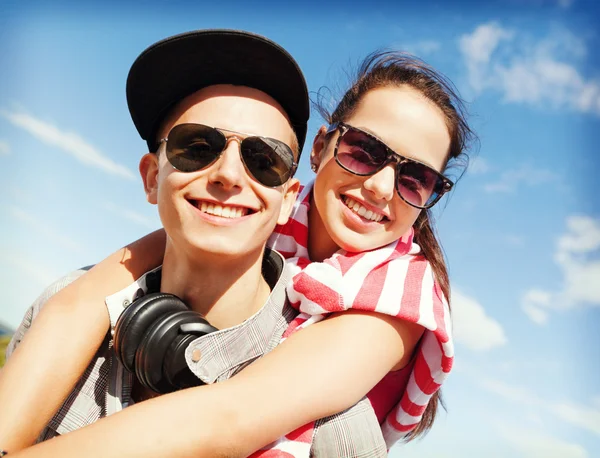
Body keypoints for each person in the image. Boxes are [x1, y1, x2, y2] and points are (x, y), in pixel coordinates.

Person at [2, 32, 475, 458]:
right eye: (364, 151)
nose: (381, 186)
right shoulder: (266, 205)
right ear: (320, 149)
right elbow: (95, 290)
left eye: (416, 179)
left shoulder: (403, 294)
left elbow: (229, 417)